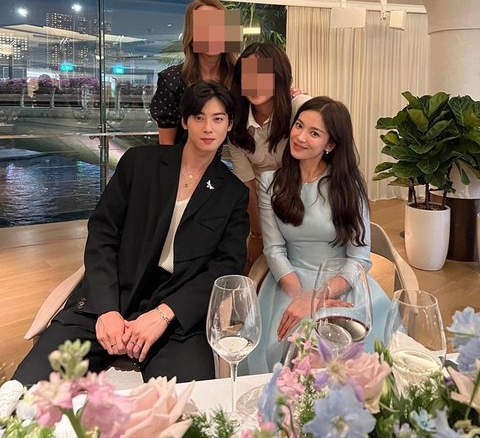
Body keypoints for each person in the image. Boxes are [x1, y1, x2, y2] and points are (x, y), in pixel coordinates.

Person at [14, 82, 249, 386]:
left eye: (218, 119)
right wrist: (107, 310)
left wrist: (164, 314)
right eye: (199, 117)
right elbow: (102, 234)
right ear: (184, 121)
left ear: (229, 124)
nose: (208, 128)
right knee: (30, 391)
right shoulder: (140, 163)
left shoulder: (232, 193)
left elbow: (224, 268)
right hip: (111, 296)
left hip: (175, 313)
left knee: (192, 407)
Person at [246, 96, 389, 373]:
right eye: (298, 125)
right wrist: (300, 296)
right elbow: (274, 249)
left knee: (350, 359)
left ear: (330, 145)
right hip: (290, 281)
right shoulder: (271, 182)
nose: (300, 137)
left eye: (314, 133)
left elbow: (359, 257)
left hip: (342, 284)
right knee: (294, 347)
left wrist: (316, 299)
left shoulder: (348, 186)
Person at [227, 42, 310, 271]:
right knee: (253, 267)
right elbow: (248, 186)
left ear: (279, 76)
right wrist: (256, 234)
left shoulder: (300, 108)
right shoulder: (236, 125)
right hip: (263, 206)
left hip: (305, 202)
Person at [149, 0, 239, 144]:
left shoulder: (242, 76)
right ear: (191, 36)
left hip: (236, 156)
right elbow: (166, 146)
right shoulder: (172, 79)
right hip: (183, 156)